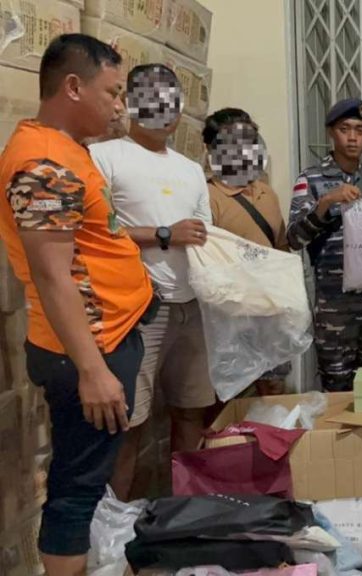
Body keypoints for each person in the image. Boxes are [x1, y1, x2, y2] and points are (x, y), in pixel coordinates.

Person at [0, 34, 152, 576]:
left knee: (85, 477)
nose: (120, 105)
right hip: (88, 348)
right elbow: (52, 274)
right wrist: (92, 370)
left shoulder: (65, 148)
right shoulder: (44, 163)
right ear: (72, 87)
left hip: (104, 339)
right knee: (77, 486)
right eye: (111, 92)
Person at [89, 63, 214, 499]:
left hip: (191, 306)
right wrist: (163, 234)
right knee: (130, 422)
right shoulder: (104, 157)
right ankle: (116, 521)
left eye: (171, 100)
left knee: (191, 412)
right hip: (138, 310)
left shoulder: (191, 170)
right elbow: (94, 232)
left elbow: (204, 234)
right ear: (129, 102)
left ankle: (185, 511)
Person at [287, 98, 362, 391]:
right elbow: (294, 238)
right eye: (345, 129)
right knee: (337, 386)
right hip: (335, 304)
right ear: (331, 132)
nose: (353, 137)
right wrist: (325, 203)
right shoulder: (311, 178)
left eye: (360, 130)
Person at [204, 108, 290, 395]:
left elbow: (281, 250)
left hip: (270, 315)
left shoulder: (268, 194)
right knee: (231, 397)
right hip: (231, 319)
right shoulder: (206, 197)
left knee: (274, 393)